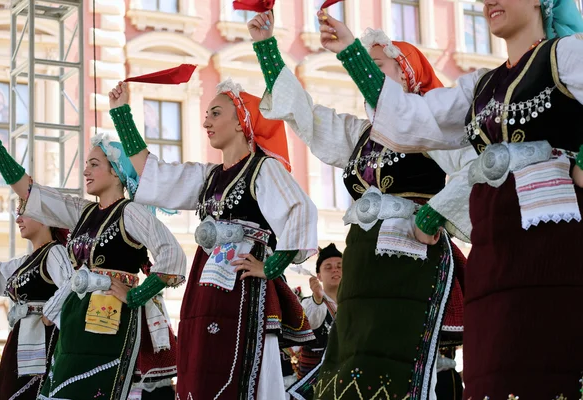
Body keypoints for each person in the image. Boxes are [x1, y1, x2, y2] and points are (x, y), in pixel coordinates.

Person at [314, 0, 583, 397]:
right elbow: (412, 119)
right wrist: (352, 54)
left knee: (551, 359)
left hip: (555, 237)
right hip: (495, 247)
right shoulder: (479, 85)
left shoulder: (566, 55)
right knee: (495, 367)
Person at [248, 11, 474, 400]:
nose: (368, 74)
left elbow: (476, 169)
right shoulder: (360, 134)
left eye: (378, 65)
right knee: (353, 356)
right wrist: (267, 48)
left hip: (411, 258)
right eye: (366, 67)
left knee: (400, 359)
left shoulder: (429, 125)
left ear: (405, 74)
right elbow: (307, 116)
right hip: (363, 260)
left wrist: (436, 212)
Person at [107, 77, 318, 399]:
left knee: (236, 362)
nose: (206, 122)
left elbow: (299, 210)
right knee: (200, 359)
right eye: (206, 115)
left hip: (243, 284)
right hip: (205, 280)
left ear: (241, 120)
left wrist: (272, 266)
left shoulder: (263, 169)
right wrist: (122, 115)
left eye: (215, 113)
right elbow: (155, 174)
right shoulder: (208, 176)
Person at [0, 130, 186, 400]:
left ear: (116, 172)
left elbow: (172, 255)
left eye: (94, 164)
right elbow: (33, 194)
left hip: (111, 318)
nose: (85, 171)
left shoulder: (130, 212)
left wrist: (137, 295)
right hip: (75, 316)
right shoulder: (83, 212)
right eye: (86, 165)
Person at [0, 215, 71, 400]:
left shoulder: (54, 252)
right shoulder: (26, 261)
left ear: (44, 216)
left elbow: (71, 283)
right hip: (20, 340)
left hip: (39, 344)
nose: (18, 220)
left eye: (25, 212)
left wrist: (50, 310)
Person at [288, 243, 342, 400]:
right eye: (328, 267)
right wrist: (318, 298)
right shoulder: (310, 304)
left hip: (343, 386)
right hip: (312, 390)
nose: (335, 269)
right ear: (318, 275)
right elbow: (310, 322)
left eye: (340, 265)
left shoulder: (355, 306)